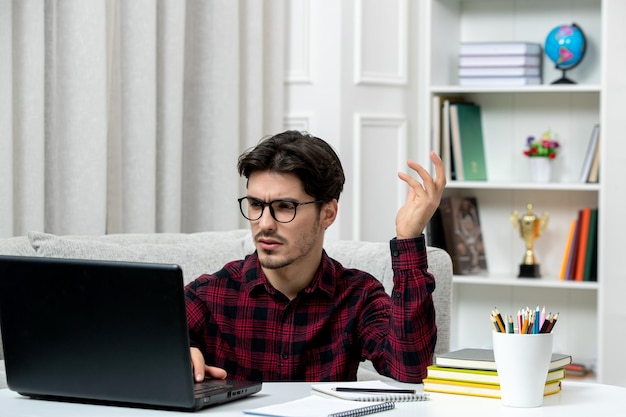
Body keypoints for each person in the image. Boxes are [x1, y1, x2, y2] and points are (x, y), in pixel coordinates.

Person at [185, 130, 446, 383]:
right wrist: (179, 353)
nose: (265, 223)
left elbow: (410, 369)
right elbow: (148, 341)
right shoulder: (210, 294)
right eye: (255, 205)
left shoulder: (357, 296)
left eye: (285, 207)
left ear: (328, 213)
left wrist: (409, 238)